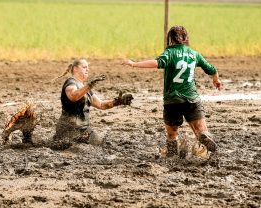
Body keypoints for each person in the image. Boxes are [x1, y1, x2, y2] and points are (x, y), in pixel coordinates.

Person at [122, 25, 221, 158]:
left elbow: (157, 63)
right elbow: (211, 69)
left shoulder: (170, 52)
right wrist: (216, 79)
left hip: (173, 100)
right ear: (186, 38)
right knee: (200, 129)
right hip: (192, 98)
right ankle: (205, 146)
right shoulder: (194, 54)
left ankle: (173, 155)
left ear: (171, 39)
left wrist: (134, 64)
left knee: (172, 132)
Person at [53, 59, 133, 148]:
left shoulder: (85, 88)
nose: (87, 69)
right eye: (84, 67)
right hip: (69, 128)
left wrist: (118, 102)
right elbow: (73, 96)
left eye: (88, 67)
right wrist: (89, 85)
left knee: (102, 145)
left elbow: (101, 105)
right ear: (75, 69)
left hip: (84, 129)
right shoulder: (71, 82)